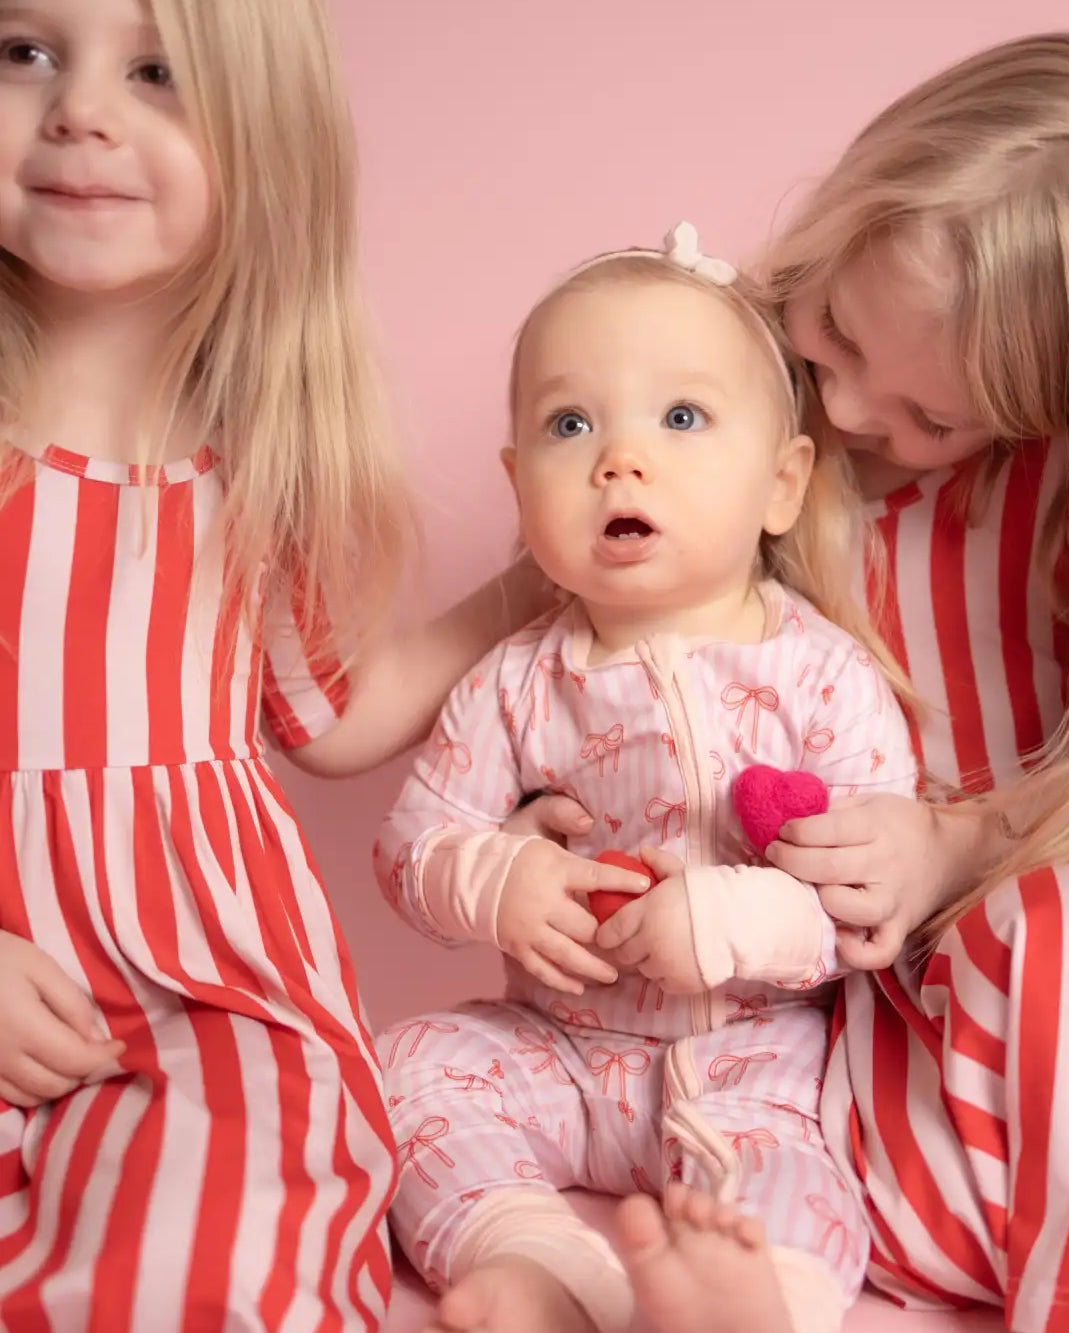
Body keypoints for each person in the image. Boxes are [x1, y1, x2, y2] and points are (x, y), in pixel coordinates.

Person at [577, 33, 1069, 1333]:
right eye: (836, 331)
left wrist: (959, 842)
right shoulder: (726, 435)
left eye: (936, 418)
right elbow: (538, 666)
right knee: (1057, 946)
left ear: (1061, 411)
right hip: (924, 1094)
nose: (852, 412)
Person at [0, 1, 642, 1326]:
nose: (81, 111)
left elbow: (326, 718)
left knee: (223, 1225)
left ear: (270, 140)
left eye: (158, 71)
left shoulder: (258, 461)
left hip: (194, 985)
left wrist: (538, 580)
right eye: (24, 51)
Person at [373, 225, 922, 1333]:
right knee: (405, 1067)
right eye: (570, 424)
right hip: (560, 1045)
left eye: (680, 418)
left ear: (780, 485)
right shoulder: (515, 683)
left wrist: (726, 918)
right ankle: (533, 1262)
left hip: (756, 1054)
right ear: (518, 486)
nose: (619, 459)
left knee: (807, 1160)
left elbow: (872, 901)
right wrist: (497, 879)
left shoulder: (822, 677)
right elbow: (410, 849)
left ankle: (752, 1299)